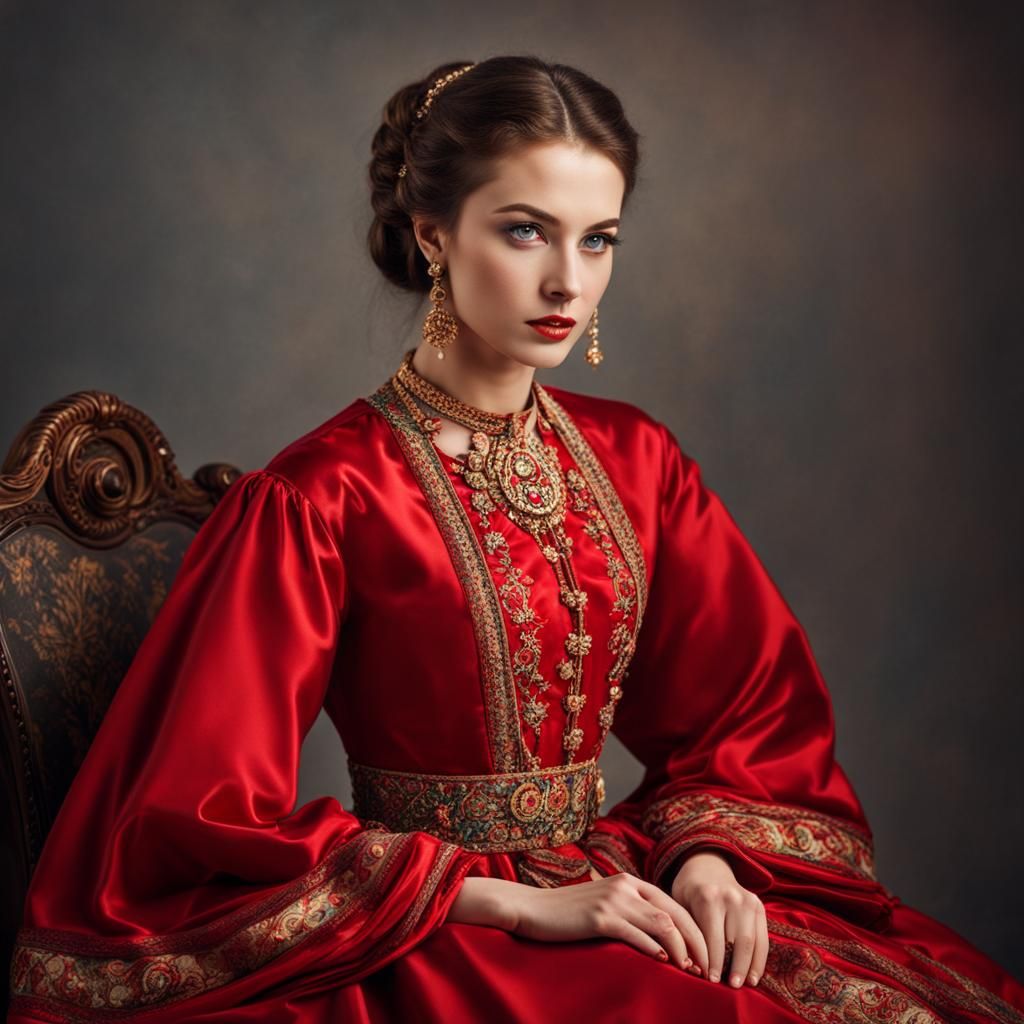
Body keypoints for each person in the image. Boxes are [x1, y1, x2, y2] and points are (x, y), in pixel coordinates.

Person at [8, 55, 1022, 1024]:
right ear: (433, 232)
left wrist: (707, 862)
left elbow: (746, 717)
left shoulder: (638, 461)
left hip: (619, 882)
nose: (567, 282)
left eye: (599, 238)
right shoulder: (324, 493)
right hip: (451, 923)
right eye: (527, 231)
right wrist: (514, 901)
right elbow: (204, 808)